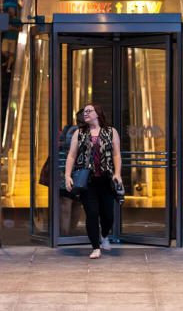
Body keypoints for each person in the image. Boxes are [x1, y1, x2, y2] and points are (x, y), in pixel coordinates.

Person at [64, 103, 123, 259]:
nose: (86, 113)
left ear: (98, 114)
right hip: (87, 181)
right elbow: (71, 155)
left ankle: (104, 236)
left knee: (108, 215)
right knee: (91, 213)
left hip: (106, 180)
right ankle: (95, 247)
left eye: (89, 111)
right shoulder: (79, 133)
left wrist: (117, 173)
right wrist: (67, 175)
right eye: (84, 111)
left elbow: (116, 154)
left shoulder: (111, 132)